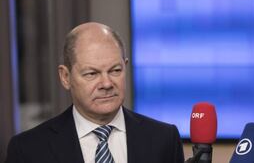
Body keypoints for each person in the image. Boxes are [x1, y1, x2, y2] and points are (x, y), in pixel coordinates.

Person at [5, 22, 184, 163]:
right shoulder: (28, 150)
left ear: (126, 67)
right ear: (65, 77)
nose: (106, 83)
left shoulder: (164, 140)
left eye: (115, 70)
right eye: (92, 73)